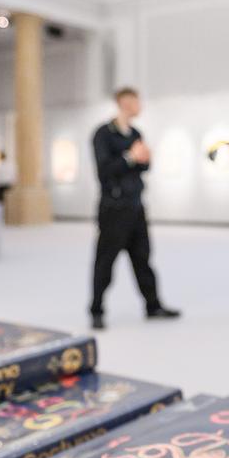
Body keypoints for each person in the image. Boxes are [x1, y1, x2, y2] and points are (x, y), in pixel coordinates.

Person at [90, 86, 180, 329]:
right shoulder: (103, 134)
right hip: (113, 208)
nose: (139, 106)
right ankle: (96, 309)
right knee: (105, 261)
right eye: (136, 101)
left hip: (135, 206)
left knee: (143, 259)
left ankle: (153, 305)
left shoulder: (136, 133)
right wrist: (130, 157)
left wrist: (143, 159)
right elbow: (104, 170)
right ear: (124, 103)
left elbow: (142, 167)